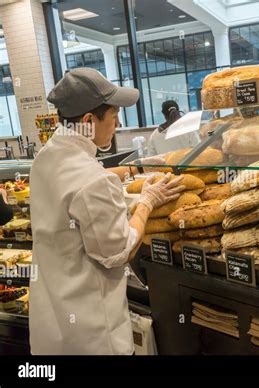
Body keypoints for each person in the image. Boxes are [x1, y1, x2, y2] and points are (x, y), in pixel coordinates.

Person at [29, 68, 186, 355]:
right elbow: (119, 251)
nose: (117, 124)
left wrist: (138, 168)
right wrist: (147, 202)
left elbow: (87, 185)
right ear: (89, 121)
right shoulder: (91, 180)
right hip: (94, 336)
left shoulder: (46, 156)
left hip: (51, 328)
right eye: (114, 117)